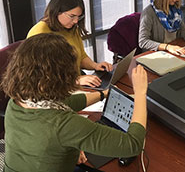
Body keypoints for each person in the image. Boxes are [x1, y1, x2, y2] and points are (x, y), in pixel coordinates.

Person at [1, 33, 148, 172]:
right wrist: (141, 93)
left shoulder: (17, 102)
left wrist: (103, 94)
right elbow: (132, 145)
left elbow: (67, 103)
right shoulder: (64, 125)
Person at [26, 0, 113, 88]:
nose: (76, 21)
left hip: (74, 83)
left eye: (79, 17)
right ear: (57, 11)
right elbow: (41, 76)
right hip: (54, 89)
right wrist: (76, 80)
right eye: (72, 16)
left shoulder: (71, 28)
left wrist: (95, 66)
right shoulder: (39, 32)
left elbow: (81, 57)